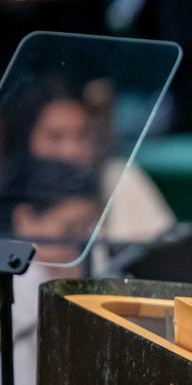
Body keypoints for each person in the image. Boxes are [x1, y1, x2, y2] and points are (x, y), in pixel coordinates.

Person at [1, 78, 174, 260]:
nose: (71, 152)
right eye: (55, 137)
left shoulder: (119, 179)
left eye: (82, 135)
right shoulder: (8, 188)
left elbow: (165, 258)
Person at [1, 158, 102, 385]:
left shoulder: (88, 267)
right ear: (25, 220)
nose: (78, 243)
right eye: (68, 229)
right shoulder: (20, 279)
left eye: (86, 229)